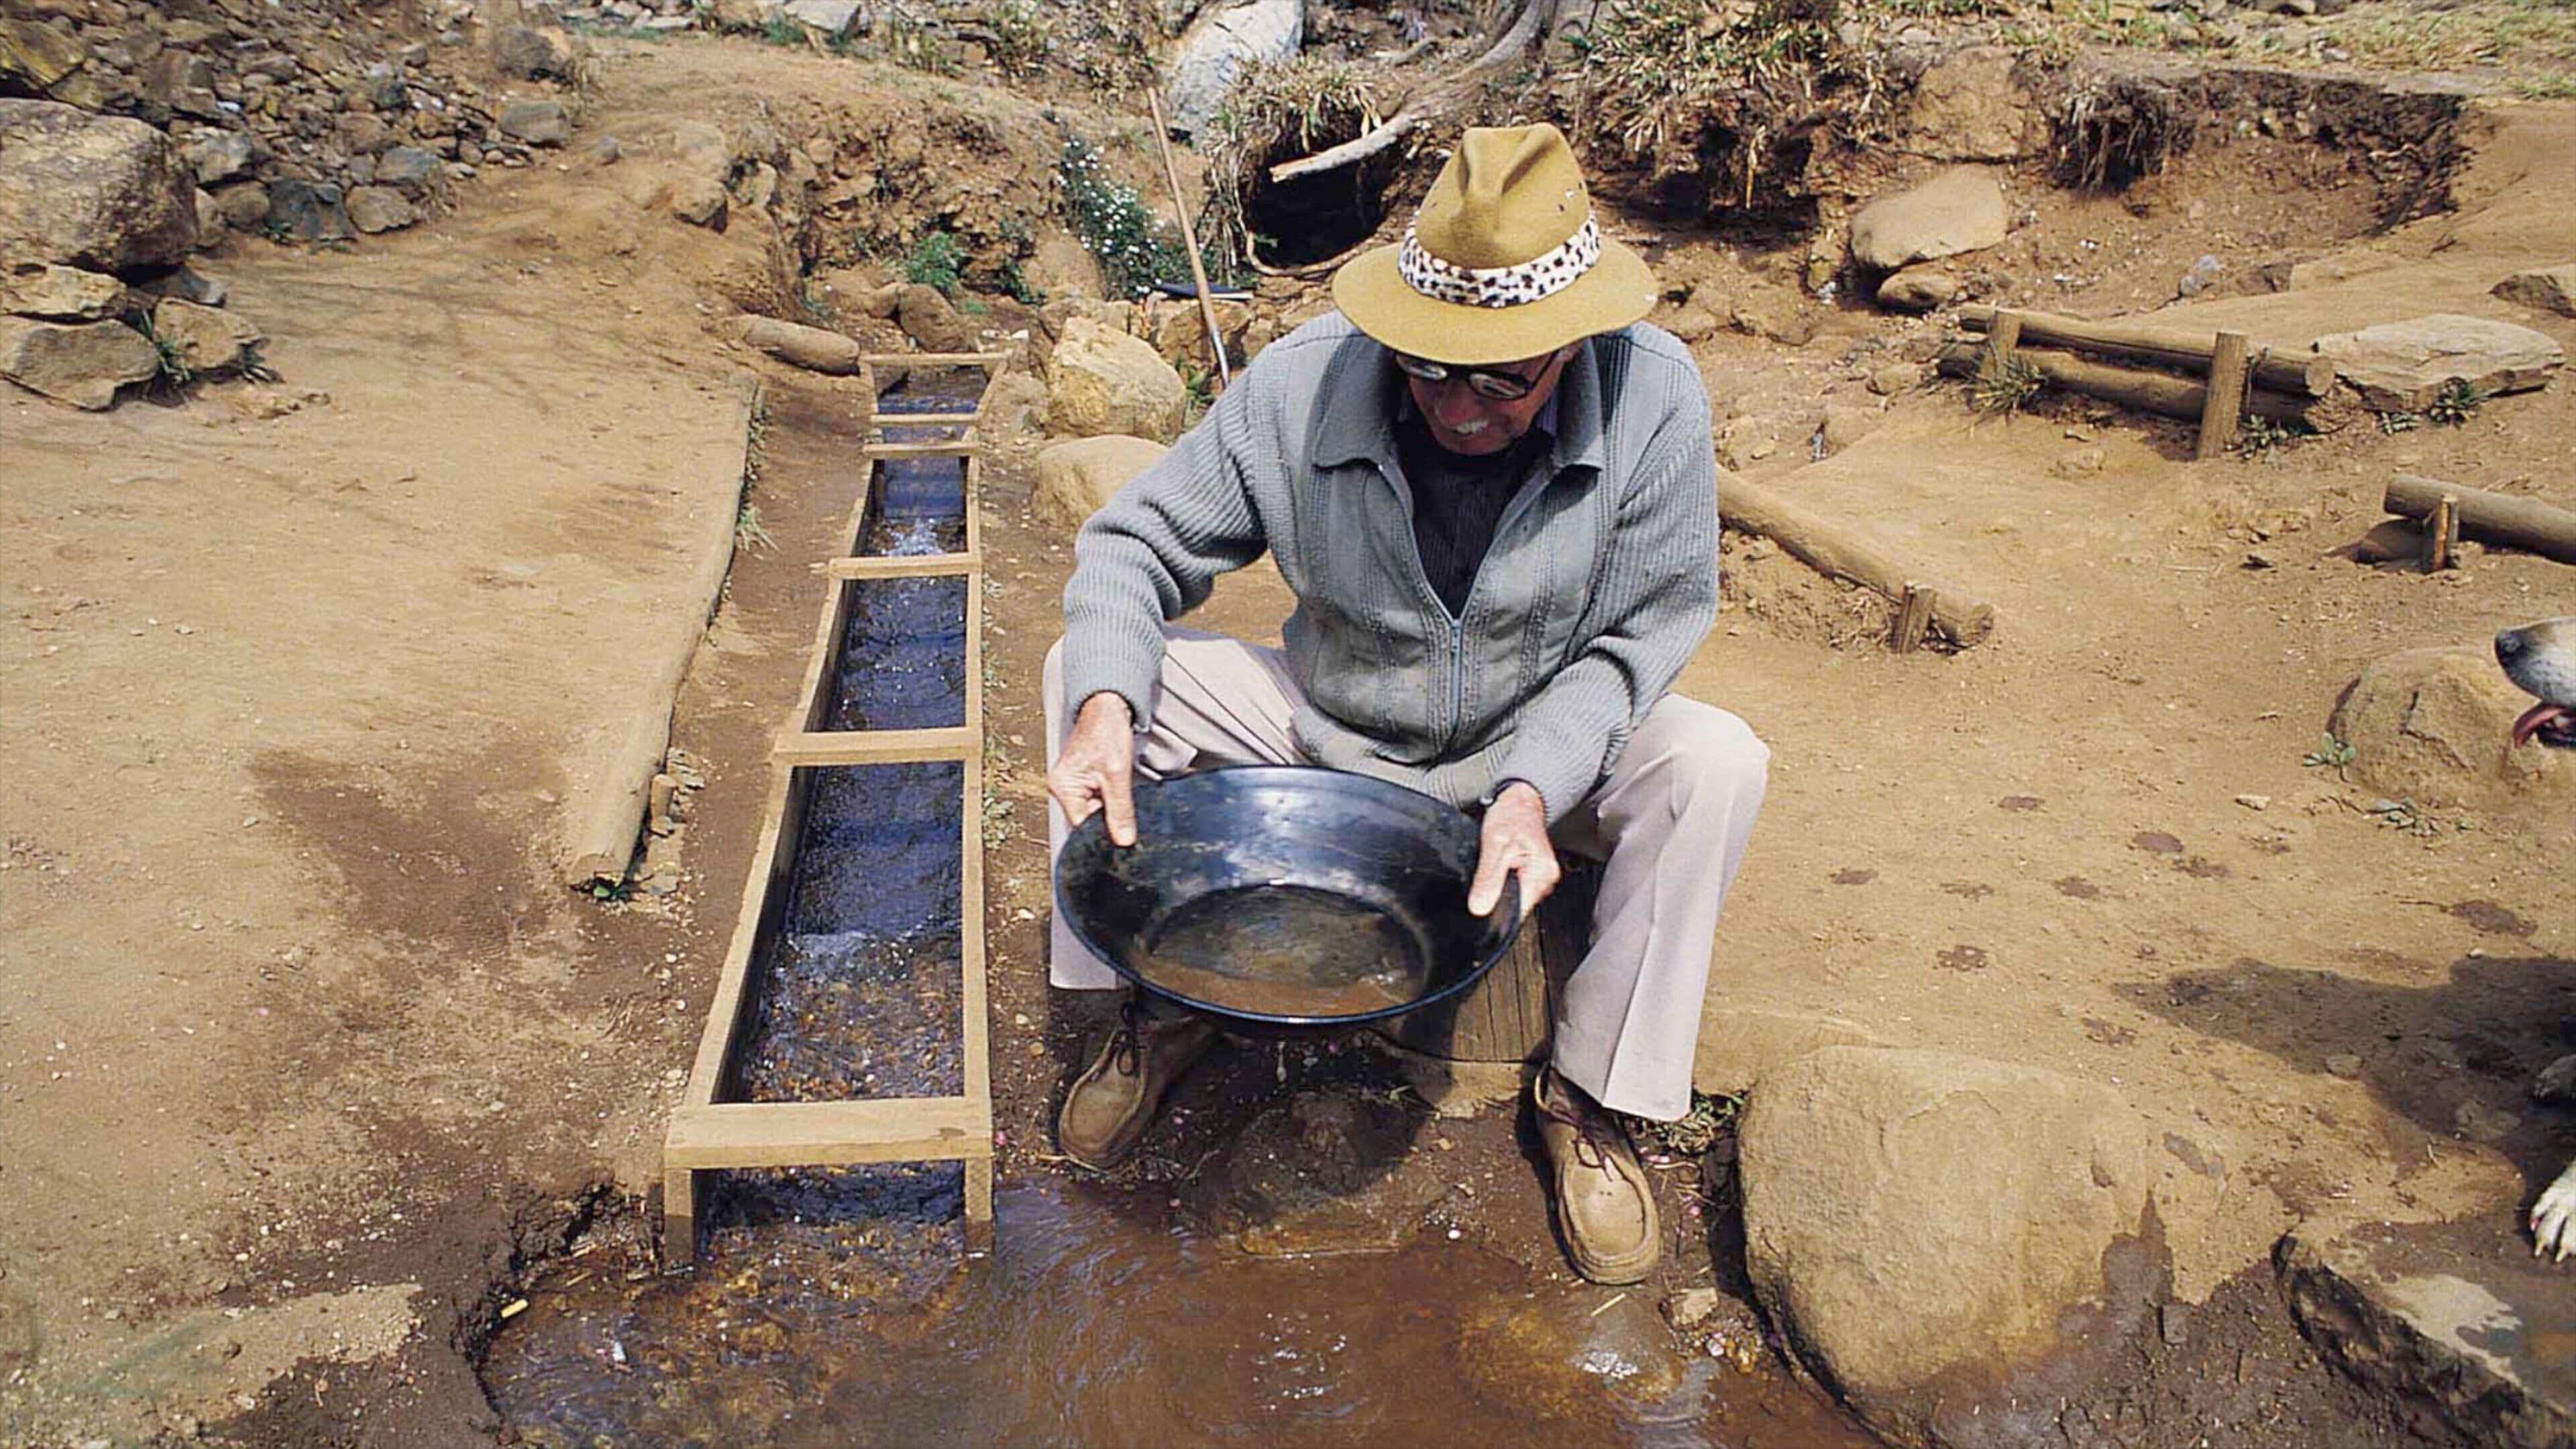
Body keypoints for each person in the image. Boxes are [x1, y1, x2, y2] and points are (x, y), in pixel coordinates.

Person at [1040, 123, 1768, 1284]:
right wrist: (1105, 710)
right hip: (1334, 727)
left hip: (1537, 749)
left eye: (1502, 378)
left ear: (1573, 345)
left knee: (1714, 764)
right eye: (1431, 366)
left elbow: (1645, 635)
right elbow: (1131, 543)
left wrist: (1535, 786)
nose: (1461, 407)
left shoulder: (1655, 401)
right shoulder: (1300, 385)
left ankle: (1590, 1097)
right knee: (1097, 679)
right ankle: (1148, 1006)